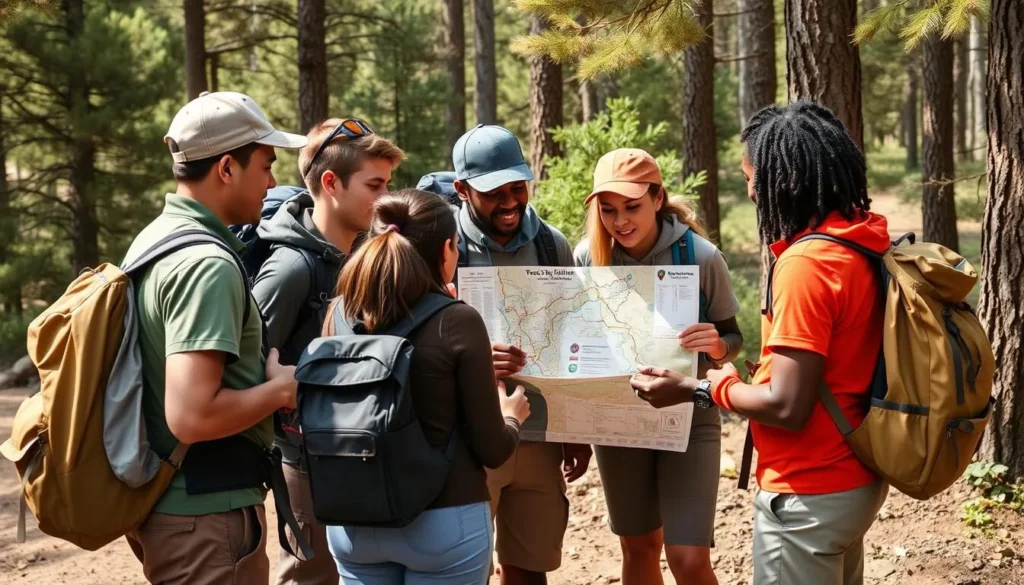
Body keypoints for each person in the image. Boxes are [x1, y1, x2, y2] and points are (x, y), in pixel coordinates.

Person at [664, 101, 890, 585]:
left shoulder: (808, 266)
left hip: (809, 490)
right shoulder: (861, 241)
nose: (749, 190)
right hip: (855, 477)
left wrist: (707, 387)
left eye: (751, 177)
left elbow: (787, 404)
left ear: (781, 179)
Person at [121, 91, 306, 584]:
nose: (272, 181)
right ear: (227, 168)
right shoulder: (205, 265)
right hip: (205, 515)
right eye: (266, 165)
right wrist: (283, 389)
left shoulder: (156, 238)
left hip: (176, 505)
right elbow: (192, 415)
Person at [324, 188, 531, 584]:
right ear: (448, 250)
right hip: (443, 522)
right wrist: (512, 417)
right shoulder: (457, 320)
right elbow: (493, 448)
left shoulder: (338, 312)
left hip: (353, 523)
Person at [574, 148, 743, 585]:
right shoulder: (587, 259)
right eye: (608, 211)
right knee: (638, 548)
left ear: (657, 197)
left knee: (688, 558)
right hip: (617, 422)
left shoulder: (701, 256)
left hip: (689, 419)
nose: (620, 221)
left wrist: (718, 346)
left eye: (632, 207)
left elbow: (732, 338)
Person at [250, 117, 405, 585]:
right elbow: (243, 371)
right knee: (311, 578)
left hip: (360, 455)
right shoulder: (290, 269)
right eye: (375, 185)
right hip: (304, 462)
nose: (386, 199)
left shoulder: (366, 254)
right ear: (331, 183)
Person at [451, 124, 592, 585]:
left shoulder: (552, 244)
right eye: (494, 192)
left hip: (539, 436)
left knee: (530, 567)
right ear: (462, 189)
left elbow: (574, 333)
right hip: (466, 440)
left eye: (518, 187)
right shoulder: (440, 246)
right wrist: (472, 358)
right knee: (464, 569)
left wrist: (576, 430)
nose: (511, 202)